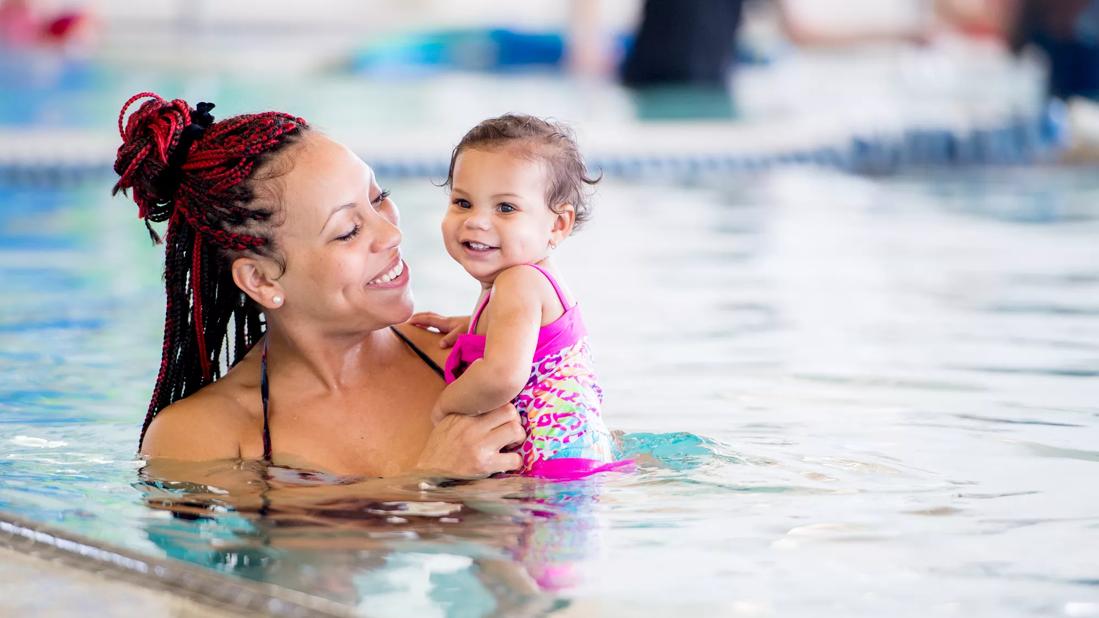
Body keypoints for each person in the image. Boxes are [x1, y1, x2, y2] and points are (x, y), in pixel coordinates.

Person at [112, 92, 526, 478]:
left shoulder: (479, 360)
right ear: (261, 279)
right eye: (347, 231)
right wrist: (431, 479)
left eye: (379, 197)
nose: (391, 234)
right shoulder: (203, 437)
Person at [410, 114, 625, 479]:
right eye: (463, 202)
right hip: (573, 459)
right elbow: (533, 335)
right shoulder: (527, 282)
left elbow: (503, 376)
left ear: (558, 225)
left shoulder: (518, 281)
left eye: (505, 208)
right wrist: (471, 327)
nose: (477, 221)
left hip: (551, 472)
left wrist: (443, 409)